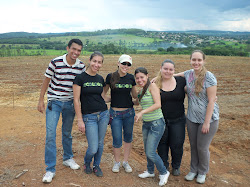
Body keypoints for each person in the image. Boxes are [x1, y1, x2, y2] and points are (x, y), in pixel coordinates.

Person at [38, 39, 85, 183]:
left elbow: (81, 87)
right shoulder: (55, 62)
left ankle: (67, 158)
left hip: (70, 103)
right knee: (51, 134)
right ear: (68, 48)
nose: (76, 53)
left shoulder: (81, 66)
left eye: (79, 50)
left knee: (67, 133)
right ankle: (50, 169)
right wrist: (41, 100)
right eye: (74, 49)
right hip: (55, 102)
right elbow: (46, 81)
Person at [176, 50, 219, 184]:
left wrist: (206, 122)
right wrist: (159, 77)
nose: (196, 62)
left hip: (208, 119)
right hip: (191, 118)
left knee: (202, 147)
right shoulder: (188, 74)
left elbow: (212, 101)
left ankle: (202, 171)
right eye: (194, 60)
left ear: (203, 61)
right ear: (190, 60)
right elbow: (173, 75)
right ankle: (193, 170)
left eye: (199, 60)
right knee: (194, 146)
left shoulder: (209, 77)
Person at [73, 51, 109, 177]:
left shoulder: (100, 79)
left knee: (100, 143)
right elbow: (76, 100)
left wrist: (122, 98)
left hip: (103, 114)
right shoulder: (80, 78)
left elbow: (103, 97)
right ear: (89, 61)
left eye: (99, 62)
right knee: (93, 147)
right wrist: (80, 120)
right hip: (89, 117)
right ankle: (87, 162)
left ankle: (96, 165)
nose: (97, 64)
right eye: (95, 61)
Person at [134, 67, 170, 186]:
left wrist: (141, 112)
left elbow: (157, 104)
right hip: (146, 124)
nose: (140, 80)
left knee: (150, 152)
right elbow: (136, 101)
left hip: (156, 123)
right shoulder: (141, 91)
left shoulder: (152, 87)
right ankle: (150, 171)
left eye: (142, 77)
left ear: (147, 76)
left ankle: (164, 172)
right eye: (137, 78)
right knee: (147, 149)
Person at [103, 54, 137, 173]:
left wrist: (141, 98)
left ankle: (125, 162)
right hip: (115, 114)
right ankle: (117, 162)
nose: (125, 66)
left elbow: (134, 96)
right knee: (117, 139)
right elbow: (103, 94)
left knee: (128, 138)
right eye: (123, 63)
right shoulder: (110, 77)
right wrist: (111, 100)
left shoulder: (131, 78)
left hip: (129, 113)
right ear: (118, 63)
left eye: (128, 64)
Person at [154, 59, 186, 176]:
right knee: (162, 144)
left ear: (174, 70)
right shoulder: (155, 83)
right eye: (165, 69)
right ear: (161, 69)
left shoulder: (181, 81)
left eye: (171, 69)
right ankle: (164, 166)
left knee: (177, 144)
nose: (168, 71)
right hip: (161, 120)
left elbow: (193, 74)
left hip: (178, 119)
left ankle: (176, 166)